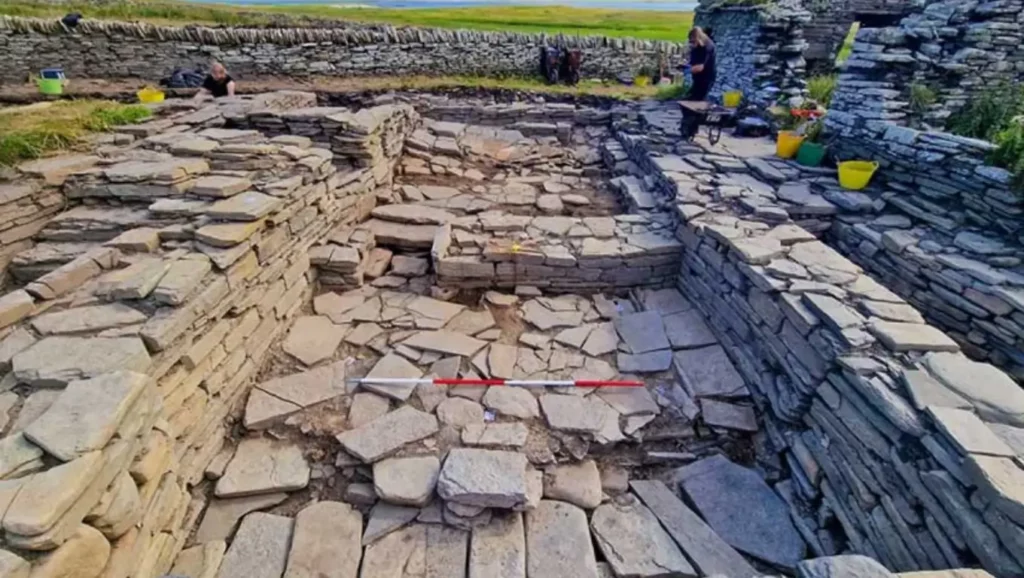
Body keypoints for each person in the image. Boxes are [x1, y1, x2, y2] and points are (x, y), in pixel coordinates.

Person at [687, 27, 716, 101]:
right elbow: (693, 61)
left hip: (705, 78)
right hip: (697, 78)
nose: (691, 44)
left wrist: (687, 70)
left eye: (693, 41)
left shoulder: (707, 47)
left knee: (698, 99)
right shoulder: (696, 47)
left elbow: (700, 67)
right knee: (691, 97)